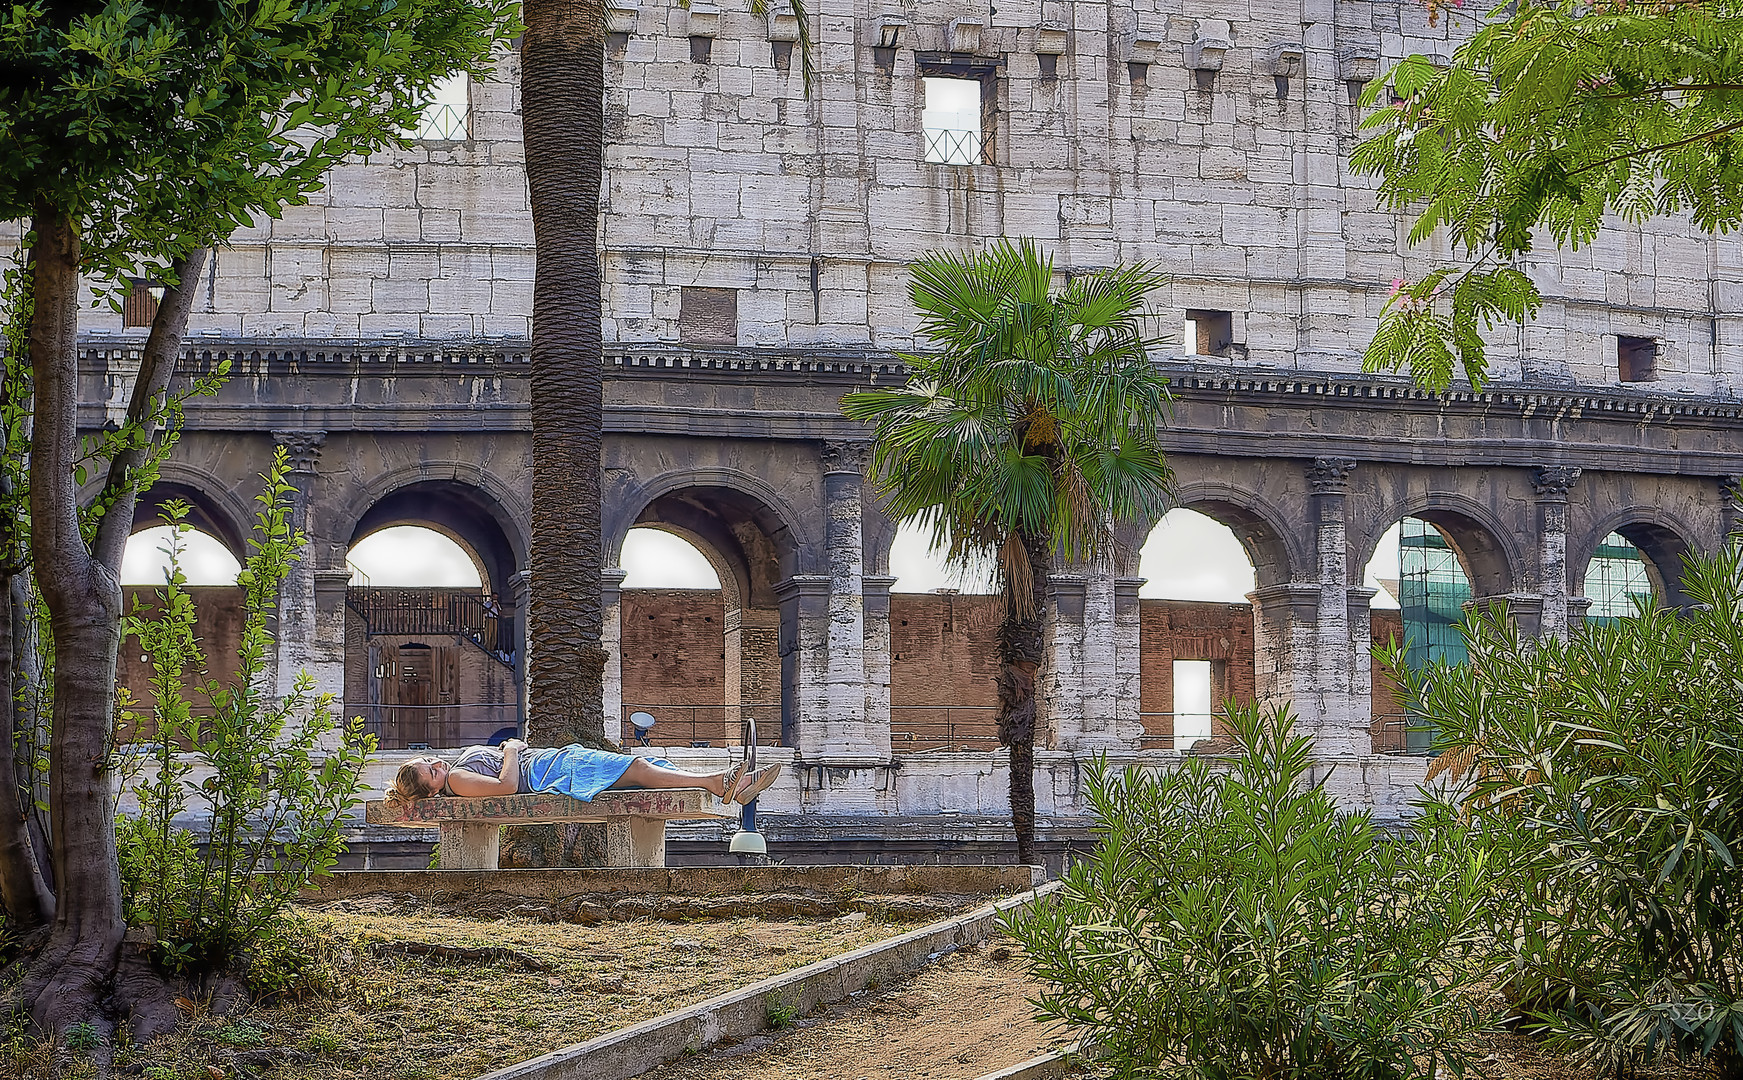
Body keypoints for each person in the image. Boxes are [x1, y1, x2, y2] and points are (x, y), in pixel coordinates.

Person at [382, 738, 779, 809]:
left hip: (556, 762)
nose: (436, 765)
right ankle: (717, 781)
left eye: (430, 761)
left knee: (647, 766)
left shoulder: (450, 773)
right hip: (552, 771)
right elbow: (506, 787)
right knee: (639, 767)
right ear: (432, 790)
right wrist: (512, 749)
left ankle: (738, 786)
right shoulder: (456, 781)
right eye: (428, 772)